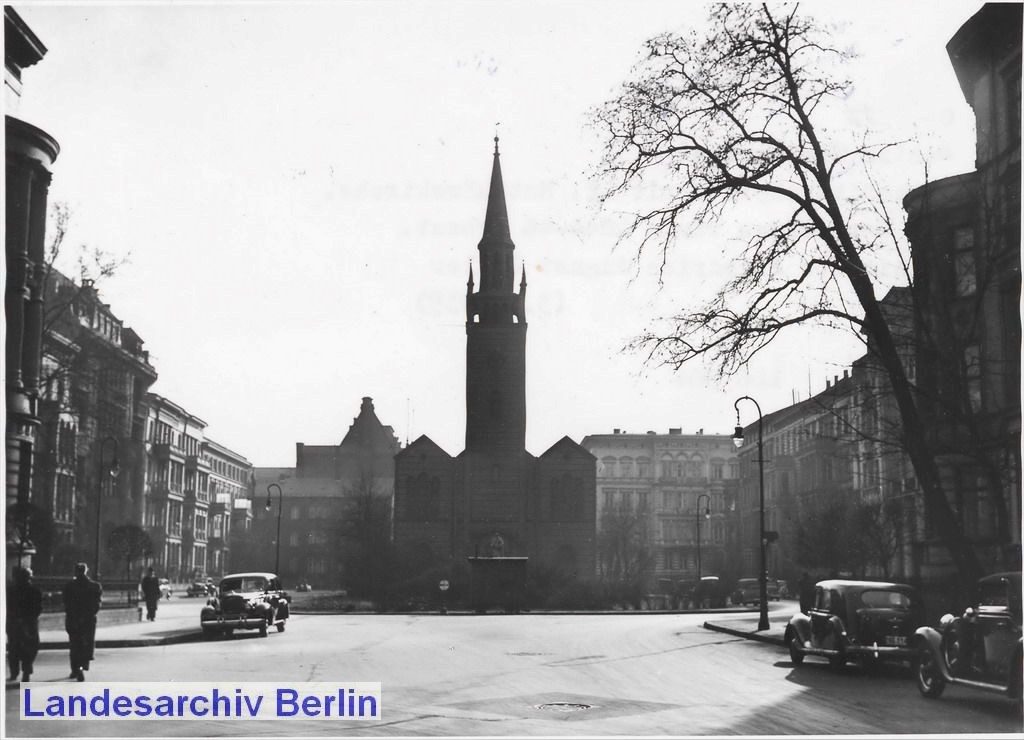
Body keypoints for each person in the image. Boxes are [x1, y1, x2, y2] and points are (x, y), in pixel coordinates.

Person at [63, 562, 102, 682]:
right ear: (86, 571)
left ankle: (75, 669)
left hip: (73, 619)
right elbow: (97, 604)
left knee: (74, 645)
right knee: (86, 644)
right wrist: (89, 615)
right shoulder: (95, 586)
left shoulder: (69, 586)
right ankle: (82, 666)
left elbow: (66, 604)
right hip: (88, 620)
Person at [6, 566, 43, 682]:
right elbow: (38, 608)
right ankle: (26, 671)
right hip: (29, 622)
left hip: (14, 622)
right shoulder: (35, 591)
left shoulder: (10, 591)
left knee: (14, 648)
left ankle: (14, 672)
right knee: (30, 648)